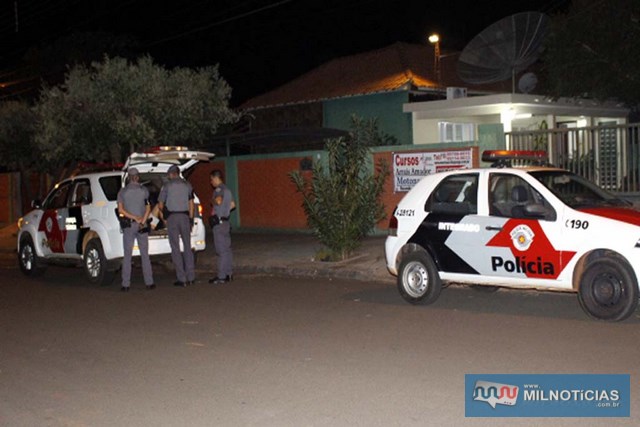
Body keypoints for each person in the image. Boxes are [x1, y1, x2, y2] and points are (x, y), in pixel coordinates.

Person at [117, 167, 154, 292]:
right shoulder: (144, 191)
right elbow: (148, 208)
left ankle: (125, 284)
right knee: (145, 254)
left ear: (128, 177)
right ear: (137, 177)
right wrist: (142, 221)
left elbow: (121, 210)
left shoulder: (122, 192)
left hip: (129, 225)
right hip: (141, 225)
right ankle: (149, 282)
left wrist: (134, 218)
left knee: (127, 255)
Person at [158, 164, 196, 287]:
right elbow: (191, 203)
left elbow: (160, 204)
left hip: (173, 218)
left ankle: (182, 279)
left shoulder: (167, 186)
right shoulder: (187, 185)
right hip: (185, 217)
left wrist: (164, 217)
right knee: (187, 247)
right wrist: (191, 219)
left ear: (172, 174)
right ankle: (191, 277)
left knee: (175, 248)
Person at [208, 169, 235, 284]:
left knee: (221, 250)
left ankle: (221, 276)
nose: (211, 182)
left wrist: (212, 200)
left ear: (216, 178)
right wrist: (225, 211)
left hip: (219, 223)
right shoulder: (227, 190)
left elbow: (218, 201)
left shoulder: (219, 190)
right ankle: (228, 273)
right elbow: (233, 205)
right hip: (226, 222)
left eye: (211, 179)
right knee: (227, 249)